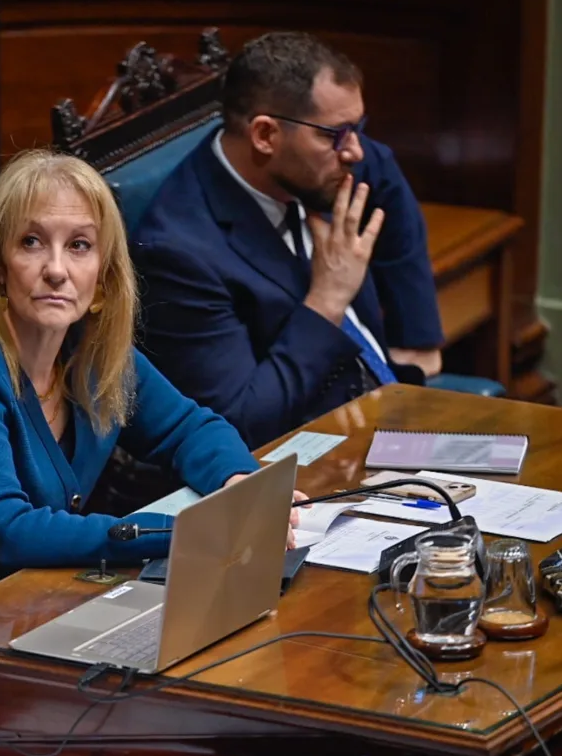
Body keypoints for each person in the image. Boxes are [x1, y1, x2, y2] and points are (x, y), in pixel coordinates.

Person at [0, 150, 303, 677]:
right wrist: (192, 534)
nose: (57, 270)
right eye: (31, 242)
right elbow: (7, 529)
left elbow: (186, 428)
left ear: (103, 275)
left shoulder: (93, 351)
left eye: (79, 246)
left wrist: (239, 484)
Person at [134, 31, 445, 449]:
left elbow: (382, 172)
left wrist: (417, 338)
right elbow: (238, 423)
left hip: (396, 410)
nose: (355, 151)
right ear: (265, 135)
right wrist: (327, 302)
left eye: (357, 128)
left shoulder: (325, 164)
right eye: (337, 134)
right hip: (316, 453)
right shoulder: (179, 253)